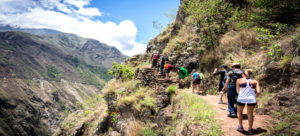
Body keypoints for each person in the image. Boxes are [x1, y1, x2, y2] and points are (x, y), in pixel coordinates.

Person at [236, 69, 261, 134]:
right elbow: (258, 92)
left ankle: (240, 127)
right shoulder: (255, 81)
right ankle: (250, 129)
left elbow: (238, 91)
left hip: (241, 98)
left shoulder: (239, 80)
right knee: (250, 114)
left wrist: (241, 96)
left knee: (240, 112)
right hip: (251, 99)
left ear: (243, 74)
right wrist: (255, 96)